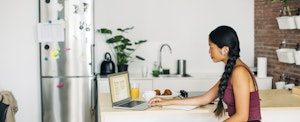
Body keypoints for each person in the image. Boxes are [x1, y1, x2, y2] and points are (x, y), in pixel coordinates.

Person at [148, 25, 261, 122]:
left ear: (225, 50)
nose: (209, 51)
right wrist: (167, 102)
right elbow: (205, 98)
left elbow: (242, 117)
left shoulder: (239, 72)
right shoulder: (232, 71)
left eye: (211, 47)